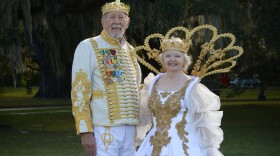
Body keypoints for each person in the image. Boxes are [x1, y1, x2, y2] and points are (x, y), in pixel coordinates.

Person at [71, 1, 141, 156]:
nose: (117, 21)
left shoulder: (131, 51)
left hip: (130, 130)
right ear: (102, 21)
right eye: (111, 17)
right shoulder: (88, 46)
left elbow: (137, 89)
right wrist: (85, 130)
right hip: (104, 128)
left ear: (127, 22)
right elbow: (79, 91)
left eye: (121, 17)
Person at [136, 37, 224, 156]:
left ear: (184, 60)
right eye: (168, 56)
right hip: (153, 144)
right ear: (162, 59)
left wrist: (208, 149)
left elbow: (203, 120)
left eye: (177, 56)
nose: (172, 59)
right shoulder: (152, 83)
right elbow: (144, 116)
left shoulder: (192, 87)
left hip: (184, 145)